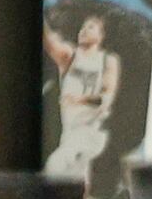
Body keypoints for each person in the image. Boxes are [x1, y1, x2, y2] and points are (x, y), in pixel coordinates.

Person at [45, 12, 123, 186]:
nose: (84, 30)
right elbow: (50, 43)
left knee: (54, 166)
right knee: (76, 182)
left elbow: (106, 99)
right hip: (70, 133)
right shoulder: (70, 55)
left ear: (101, 36)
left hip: (91, 130)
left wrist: (79, 99)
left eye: (90, 27)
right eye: (82, 27)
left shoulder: (108, 60)